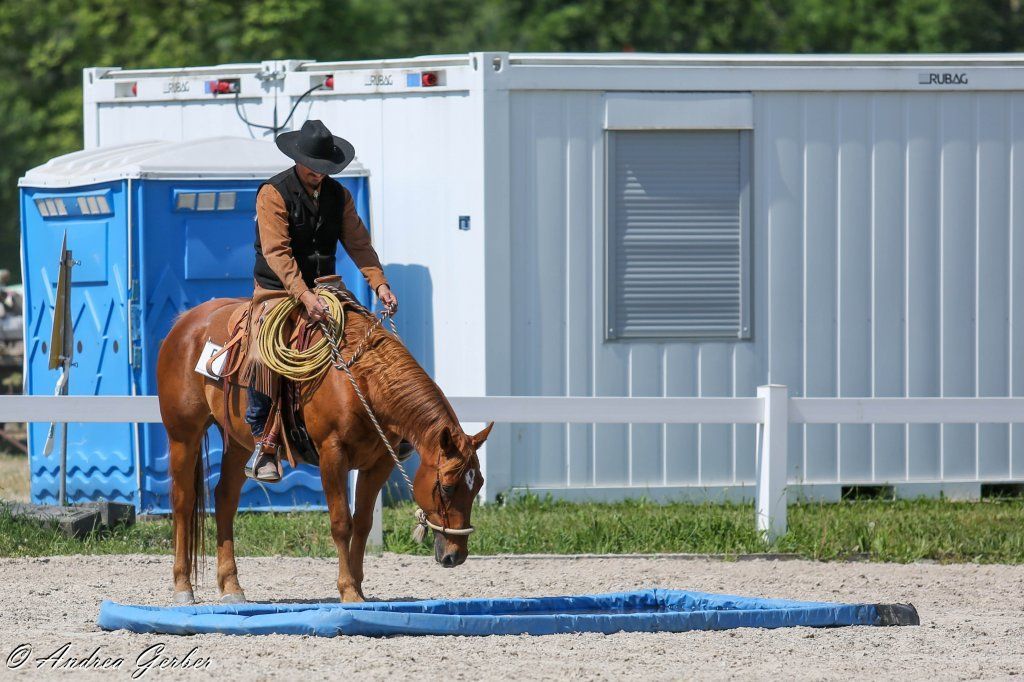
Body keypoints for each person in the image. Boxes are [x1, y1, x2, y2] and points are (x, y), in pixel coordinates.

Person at [245, 120, 399, 482]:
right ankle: (263, 441)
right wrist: (302, 294)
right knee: (262, 352)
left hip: (327, 288)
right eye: (314, 168)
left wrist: (380, 285)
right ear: (298, 161)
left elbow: (358, 244)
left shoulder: (338, 195)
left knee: (372, 341)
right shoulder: (273, 193)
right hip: (277, 290)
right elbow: (277, 252)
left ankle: (387, 425)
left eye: (324, 169)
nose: (318, 174)